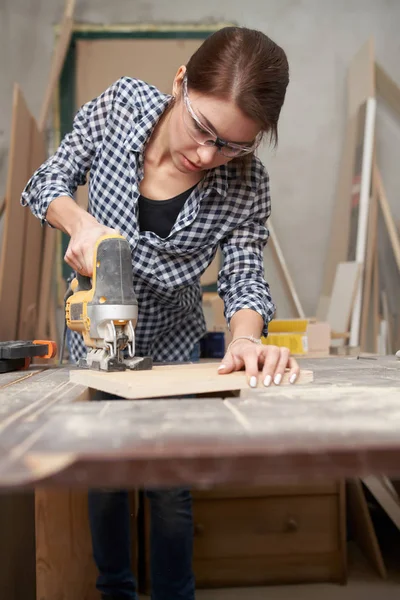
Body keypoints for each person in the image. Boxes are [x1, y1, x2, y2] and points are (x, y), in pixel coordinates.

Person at [22, 25, 299, 600]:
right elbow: (45, 180)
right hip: (100, 335)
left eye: (232, 145)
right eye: (203, 129)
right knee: (105, 476)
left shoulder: (247, 183)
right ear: (180, 84)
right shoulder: (120, 106)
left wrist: (245, 338)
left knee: (168, 486)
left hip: (173, 341)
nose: (207, 155)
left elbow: (244, 272)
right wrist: (79, 224)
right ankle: (115, 590)